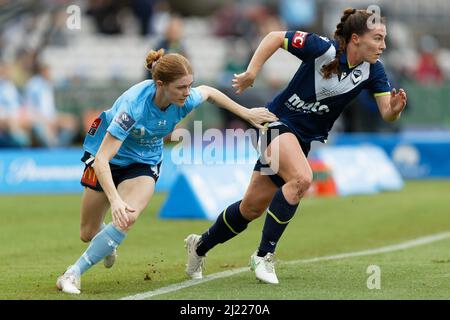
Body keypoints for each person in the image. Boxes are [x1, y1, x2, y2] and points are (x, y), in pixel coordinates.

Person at [185, 8, 407, 284]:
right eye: (377, 38)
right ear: (355, 39)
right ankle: (263, 255)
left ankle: (199, 246)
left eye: (384, 39)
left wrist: (395, 110)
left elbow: (386, 112)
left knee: (250, 209)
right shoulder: (323, 48)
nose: (383, 46)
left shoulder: (374, 71)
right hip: (274, 124)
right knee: (302, 178)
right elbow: (274, 37)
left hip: (300, 140)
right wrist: (252, 72)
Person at [56, 49, 277, 294]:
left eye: (189, 86)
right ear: (160, 84)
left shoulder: (186, 99)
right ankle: (107, 243)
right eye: (181, 87)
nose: (187, 93)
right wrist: (115, 200)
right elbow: (102, 160)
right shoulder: (134, 107)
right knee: (87, 233)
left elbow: (210, 92)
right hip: (108, 159)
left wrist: (246, 113)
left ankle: (72, 273)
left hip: (144, 163)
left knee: (128, 216)